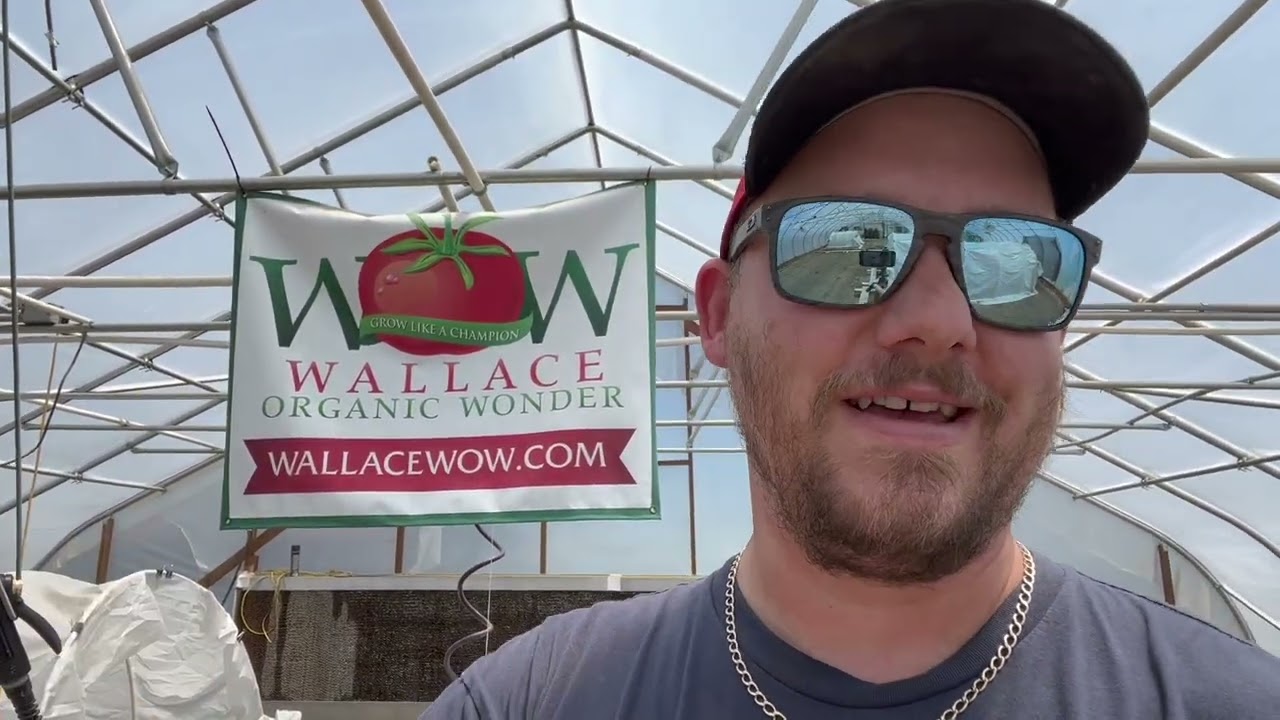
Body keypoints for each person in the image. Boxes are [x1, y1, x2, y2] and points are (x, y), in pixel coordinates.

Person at [423, 1, 1280, 717]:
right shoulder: (530, 702)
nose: (939, 321)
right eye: (847, 245)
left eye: (1016, 259)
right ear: (717, 316)